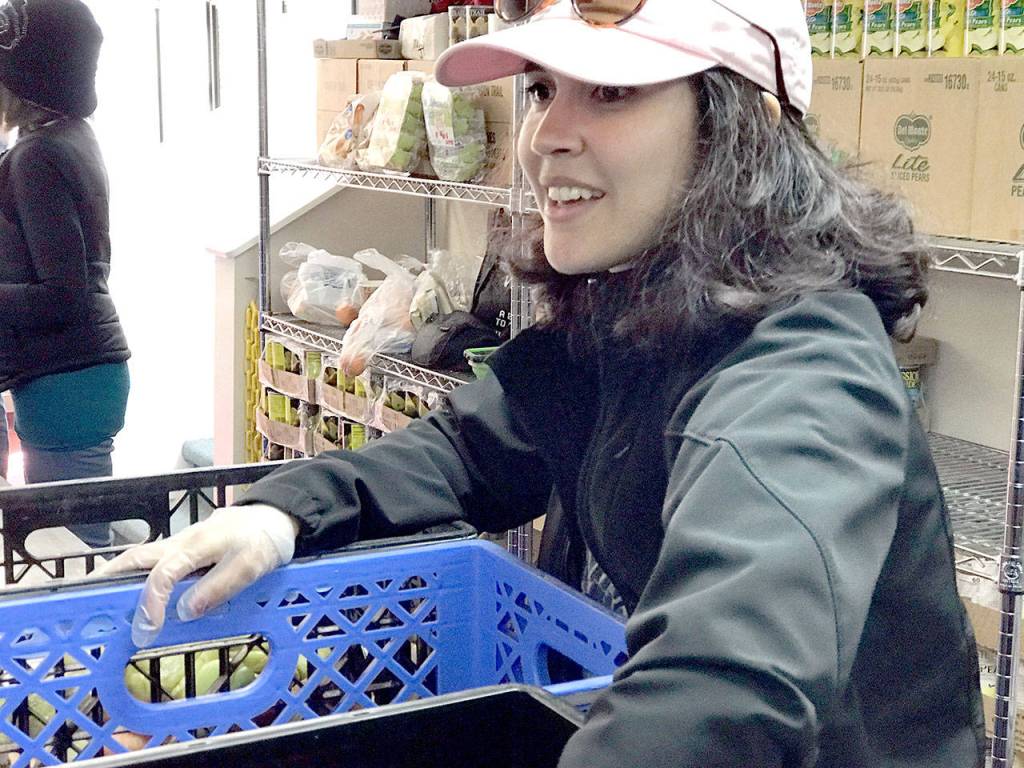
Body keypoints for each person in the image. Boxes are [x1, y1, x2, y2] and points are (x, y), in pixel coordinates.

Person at [101, 1, 985, 765]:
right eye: (542, 89)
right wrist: (282, 510)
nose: (544, 135)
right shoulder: (637, 317)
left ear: (736, 126)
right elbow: (468, 448)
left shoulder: (807, 375)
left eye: (610, 92)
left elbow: (720, 686)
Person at [0, 0, 129, 546]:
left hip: (66, 382)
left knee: (67, 561)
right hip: (82, 376)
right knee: (79, 548)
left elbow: (64, 294)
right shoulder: (72, 138)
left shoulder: (38, 156)